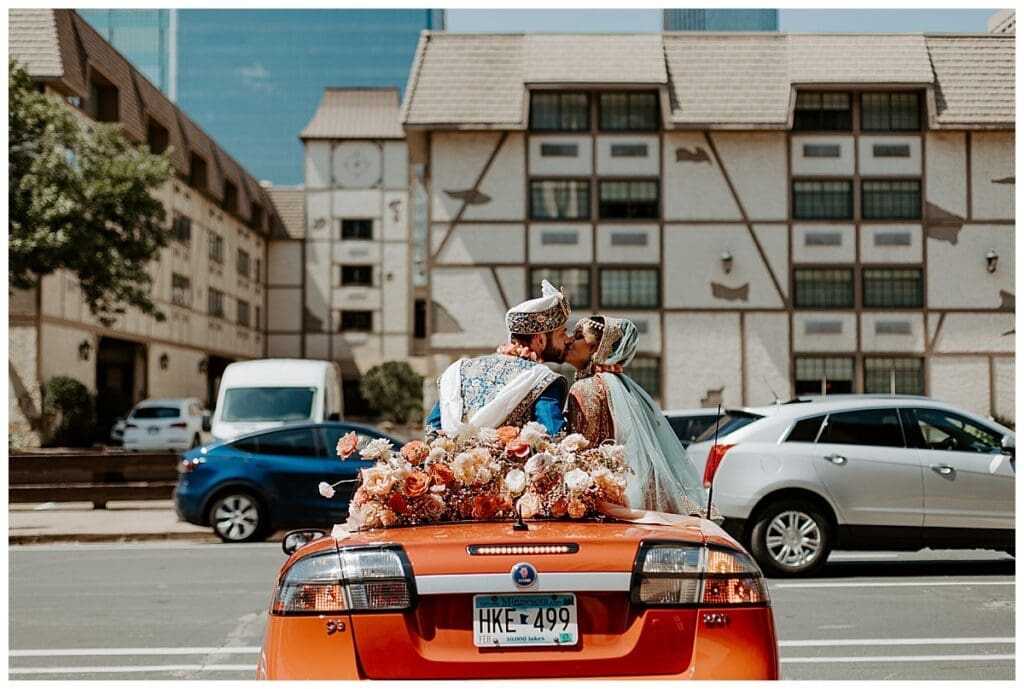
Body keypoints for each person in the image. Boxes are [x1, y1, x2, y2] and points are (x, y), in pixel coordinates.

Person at [564, 315, 708, 517]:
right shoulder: (625, 387)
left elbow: (583, 452)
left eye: (579, 336)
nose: (569, 340)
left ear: (598, 348)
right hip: (626, 488)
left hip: (597, 495)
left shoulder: (585, 388)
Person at [424, 280, 572, 436]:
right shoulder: (543, 380)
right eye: (562, 333)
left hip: (452, 459)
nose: (567, 339)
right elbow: (553, 437)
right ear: (540, 339)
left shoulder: (461, 370)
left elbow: (432, 429)